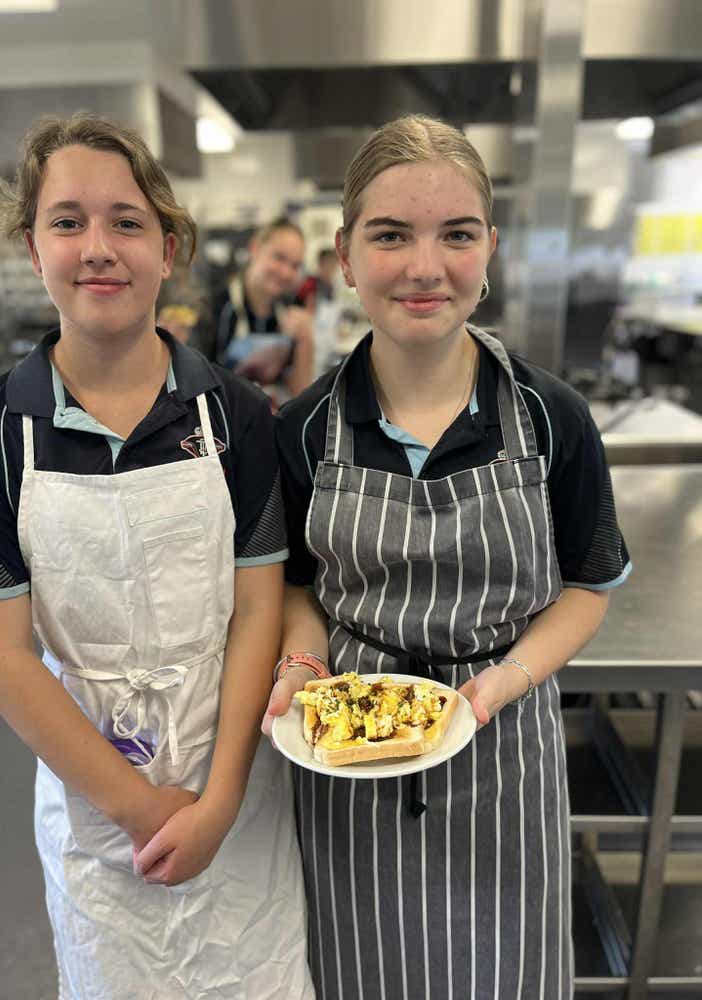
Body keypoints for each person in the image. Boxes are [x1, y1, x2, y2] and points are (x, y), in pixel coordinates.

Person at [263, 114, 632, 1000]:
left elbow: (587, 588)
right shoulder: (304, 428)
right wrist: (302, 664)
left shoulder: (550, 417)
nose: (425, 267)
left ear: (490, 248)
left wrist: (506, 680)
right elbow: (298, 588)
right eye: (391, 235)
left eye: (457, 235)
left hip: (506, 751)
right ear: (345, 256)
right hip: (352, 757)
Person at [0, 113, 314, 1000]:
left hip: (235, 779)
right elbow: (1, 659)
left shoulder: (237, 415)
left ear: (167, 247)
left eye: (126, 221)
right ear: (32, 249)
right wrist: (142, 808)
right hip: (94, 799)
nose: (97, 248)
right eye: (66, 221)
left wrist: (218, 802)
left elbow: (257, 611)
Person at [210, 218, 315, 400]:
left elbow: (301, 395)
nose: (286, 273)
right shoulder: (217, 307)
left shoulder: (290, 310)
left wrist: (305, 340)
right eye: (279, 258)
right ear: (255, 249)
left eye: (295, 266)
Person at [296, 247, 339, 312]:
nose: (331, 269)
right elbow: (309, 310)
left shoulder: (329, 286)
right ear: (320, 264)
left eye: (334, 266)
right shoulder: (310, 284)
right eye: (328, 264)